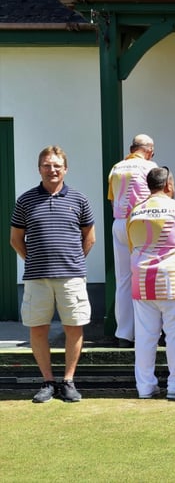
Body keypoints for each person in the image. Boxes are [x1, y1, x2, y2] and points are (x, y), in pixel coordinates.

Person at [10, 146, 96, 403]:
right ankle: (47, 381)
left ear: (65, 169)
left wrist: (72, 261)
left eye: (57, 165)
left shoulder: (79, 200)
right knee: (37, 329)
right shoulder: (25, 200)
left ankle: (68, 381)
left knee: (74, 327)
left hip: (71, 277)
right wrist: (34, 260)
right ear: (39, 169)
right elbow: (15, 239)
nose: (52, 169)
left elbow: (89, 238)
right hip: (37, 278)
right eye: (47, 165)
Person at [128, 167, 175, 400]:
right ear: (169, 185)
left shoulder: (135, 211)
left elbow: (132, 244)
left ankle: (145, 387)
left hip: (142, 281)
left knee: (144, 337)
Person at [107, 134, 157, 347]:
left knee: (123, 279)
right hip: (142, 223)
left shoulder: (116, 168)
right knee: (147, 276)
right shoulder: (150, 167)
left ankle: (124, 333)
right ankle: (149, 330)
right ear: (149, 150)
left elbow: (112, 200)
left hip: (119, 223)